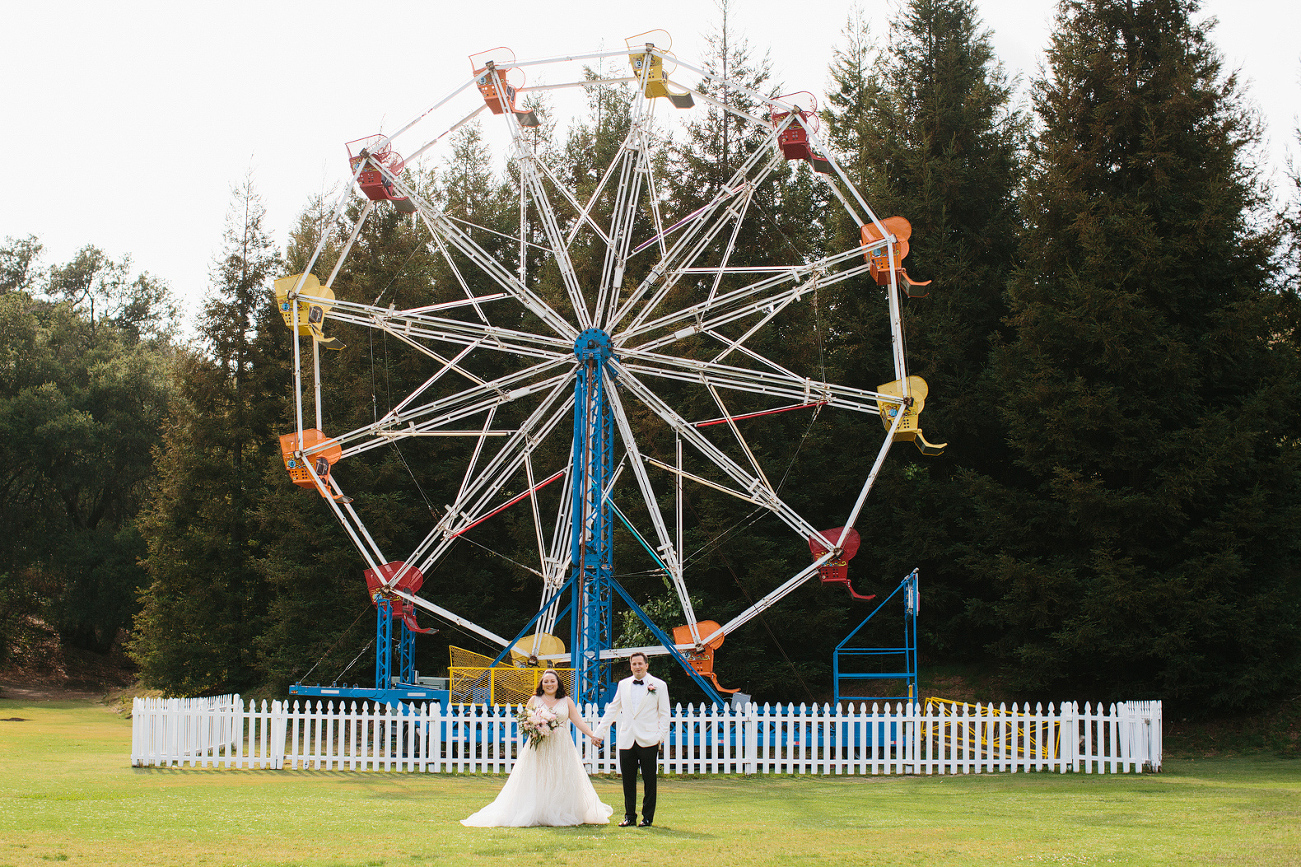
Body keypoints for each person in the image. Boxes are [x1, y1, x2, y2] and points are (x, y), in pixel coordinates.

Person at [461, 670, 613, 827]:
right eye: (546, 681)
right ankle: (538, 810)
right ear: (541, 684)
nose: (549, 684)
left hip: (561, 743)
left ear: (558, 683)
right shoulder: (535, 699)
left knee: (560, 775)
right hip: (540, 743)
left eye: (552, 681)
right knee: (539, 775)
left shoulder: (566, 701)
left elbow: (578, 721)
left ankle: (560, 809)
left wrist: (593, 735)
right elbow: (525, 721)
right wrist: (534, 727)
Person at [594, 652, 670, 828]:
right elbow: (613, 709)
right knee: (628, 781)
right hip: (627, 739)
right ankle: (629, 817)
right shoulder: (623, 684)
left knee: (650, 781)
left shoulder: (659, 685)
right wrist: (599, 732)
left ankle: (647, 818)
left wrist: (660, 737)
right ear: (630, 666)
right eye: (634, 664)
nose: (637, 667)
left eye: (640, 664)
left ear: (646, 665)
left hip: (649, 739)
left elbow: (665, 714)